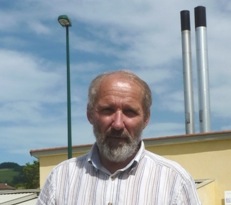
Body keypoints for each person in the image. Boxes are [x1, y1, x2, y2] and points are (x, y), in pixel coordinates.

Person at [36, 70, 201, 205]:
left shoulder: (174, 181)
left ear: (146, 119)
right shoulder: (61, 178)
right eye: (108, 110)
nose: (117, 124)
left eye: (129, 112)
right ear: (90, 114)